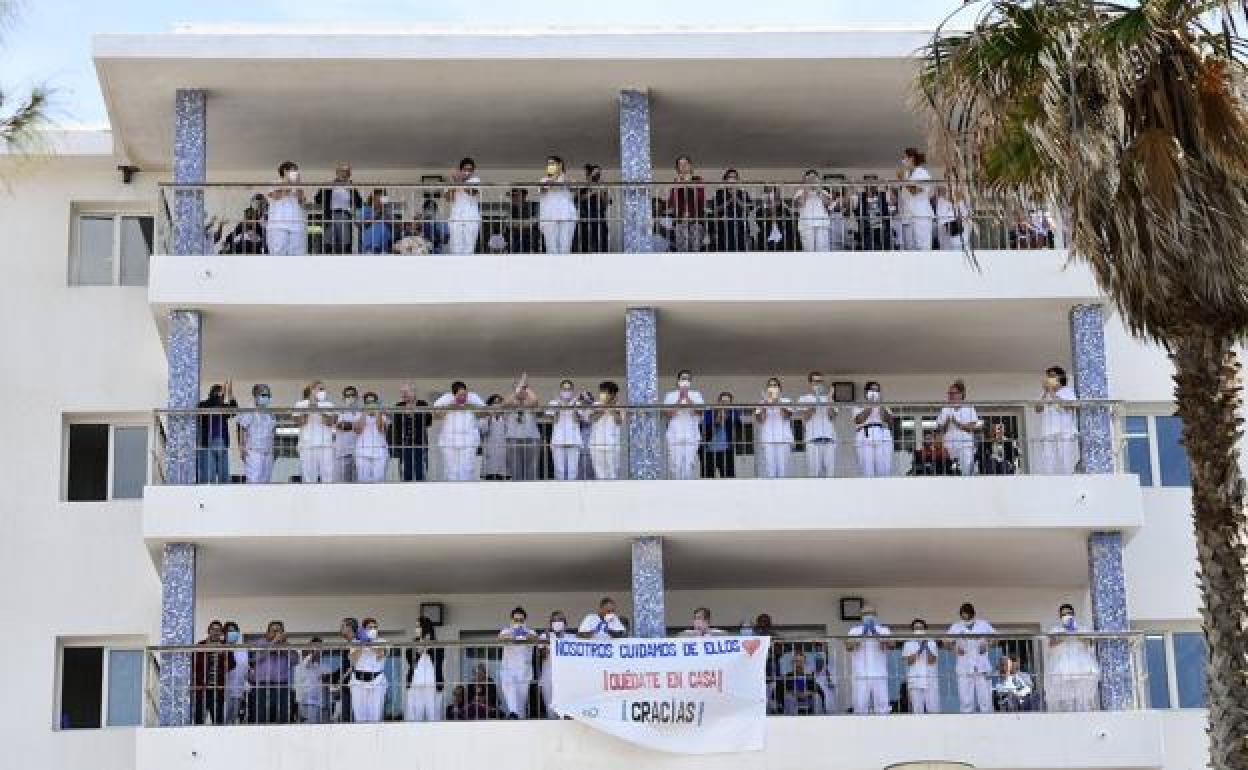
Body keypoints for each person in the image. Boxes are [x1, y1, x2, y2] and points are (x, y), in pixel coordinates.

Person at [1044, 603, 1101, 712]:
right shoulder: (1056, 629)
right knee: (1065, 695)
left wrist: (1075, 632)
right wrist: (1065, 633)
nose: (1066, 616)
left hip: (1081, 666)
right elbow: (1052, 644)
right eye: (1063, 614)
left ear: (1073, 614)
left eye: (1069, 613)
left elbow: (1089, 643)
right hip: (1062, 667)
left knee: (1082, 695)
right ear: (1060, 617)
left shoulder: (1082, 629)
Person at [948, 602, 996, 713]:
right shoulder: (956, 626)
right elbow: (945, 641)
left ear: (972, 614)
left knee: (985, 697)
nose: (965, 618)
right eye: (963, 616)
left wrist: (988, 644)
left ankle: (987, 721)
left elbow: (996, 637)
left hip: (982, 665)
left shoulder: (983, 624)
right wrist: (954, 649)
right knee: (965, 698)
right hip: (964, 666)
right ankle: (966, 722)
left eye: (967, 616)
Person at [433, 381, 485, 481]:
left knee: (467, 469)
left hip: (469, 440)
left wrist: (470, 406)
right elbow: (435, 415)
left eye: (464, 394)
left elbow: (484, 413)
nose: (463, 397)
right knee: (451, 470)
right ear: (453, 393)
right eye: (460, 395)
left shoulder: (473, 397)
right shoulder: (446, 398)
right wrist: (450, 406)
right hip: (449, 441)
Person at [846, 605, 893, 714]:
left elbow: (891, 644)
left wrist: (875, 633)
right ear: (861, 617)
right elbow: (848, 646)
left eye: (870, 613)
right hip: (860, 674)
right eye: (865, 614)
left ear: (875, 615)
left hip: (879, 673)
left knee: (882, 705)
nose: (868, 616)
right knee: (860, 704)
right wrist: (863, 634)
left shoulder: (883, 630)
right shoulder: (854, 630)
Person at [249, 620, 296, 724]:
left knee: (283, 717)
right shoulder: (259, 643)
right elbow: (254, 659)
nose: (276, 634)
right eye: (273, 631)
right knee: (260, 717)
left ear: (283, 633)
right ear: (267, 632)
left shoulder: (287, 645)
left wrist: (283, 647)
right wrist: (273, 644)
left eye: (278, 631)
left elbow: (295, 660)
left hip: (282, 685)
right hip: (262, 686)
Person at [1035, 365, 1079, 474]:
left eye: (1052, 376)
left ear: (1060, 377)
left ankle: (1068, 477)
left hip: (1064, 430)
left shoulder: (1067, 391)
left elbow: (1069, 406)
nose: (1049, 378)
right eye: (1048, 376)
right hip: (1048, 430)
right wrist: (1045, 392)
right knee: (1048, 457)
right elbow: (1038, 409)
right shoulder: (1045, 394)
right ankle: (1049, 479)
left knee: (1065, 456)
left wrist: (1051, 392)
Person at [314, 162, 363, 254]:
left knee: (345, 242)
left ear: (349, 174)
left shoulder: (352, 187)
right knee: (328, 242)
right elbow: (317, 199)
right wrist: (327, 187)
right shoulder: (329, 186)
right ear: (337, 173)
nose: (344, 173)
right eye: (342, 171)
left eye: (347, 171)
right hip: (330, 215)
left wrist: (351, 189)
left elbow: (359, 203)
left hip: (345, 215)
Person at [663, 370, 705, 479]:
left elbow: (700, 411)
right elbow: (668, 414)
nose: (685, 381)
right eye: (683, 378)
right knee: (675, 464)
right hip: (674, 434)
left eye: (687, 379)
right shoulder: (670, 395)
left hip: (692, 435)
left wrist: (687, 398)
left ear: (690, 381)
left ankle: (688, 489)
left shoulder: (696, 394)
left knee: (689, 464)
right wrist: (680, 399)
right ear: (678, 381)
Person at [497, 607, 538, 719]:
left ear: (525, 620)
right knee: (511, 695)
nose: (519, 622)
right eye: (516, 620)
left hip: (524, 672)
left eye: (521, 620)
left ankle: (517, 719)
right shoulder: (506, 631)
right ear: (511, 620)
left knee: (521, 702)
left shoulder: (530, 632)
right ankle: (513, 714)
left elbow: (535, 638)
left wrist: (523, 634)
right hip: (508, 669)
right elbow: (501, 638)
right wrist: (515, 634)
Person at [798, 371, 838, 478]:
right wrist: (816, 399)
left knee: (830, 474)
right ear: (810, 383)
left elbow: (832, 416)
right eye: (816, 381)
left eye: (820, 381)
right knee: (814, 473)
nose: (818, 384)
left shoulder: (829, 398)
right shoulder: (804, 398)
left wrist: (829, 399)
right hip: (813, 440)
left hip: (829, 439)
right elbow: (805, 418)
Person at [405, 617, 445, 722]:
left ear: (425, 628)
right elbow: (410, 660)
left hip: (433, 684)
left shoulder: (437, 646)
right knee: (415, 715)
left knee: (433, 715)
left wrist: (429, 646)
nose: (416, 629)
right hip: (415, 683)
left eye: (418, 626)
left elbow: (439, 660)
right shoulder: (412, 645)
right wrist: (422, 646)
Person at [295, 381, 336, 483]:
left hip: (325, 445)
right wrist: (309, 407)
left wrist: (318, 408)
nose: (323, 392)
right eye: (320, 389)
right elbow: (299, 422)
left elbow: (331, 422)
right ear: (312, 390)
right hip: (307, 445)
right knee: (308, 478)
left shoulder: (328, 404)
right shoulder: (300, 404)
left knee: (328, 477)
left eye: (323, 389)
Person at [937, 380, 981, 476]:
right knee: (949, 471)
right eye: (949, 393)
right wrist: (947, 423)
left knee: (966, 468)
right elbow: (940, 429)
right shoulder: (945, 409)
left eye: (953, 393)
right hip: (948, 446)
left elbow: (972, 427)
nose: (950, 395)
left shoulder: (969, 408)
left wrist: (958, 424)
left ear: (961, 394)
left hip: (964, 445)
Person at [754, 377, 795, 478]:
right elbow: (760, 420)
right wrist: (765, 404)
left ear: (780, 388)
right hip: (768, 440)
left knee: (783, 470)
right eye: (770, 385)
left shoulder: (786, 400)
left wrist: (777, 401)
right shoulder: (762, 402)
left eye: (775, 385)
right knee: (770, 470)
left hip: (784, 440)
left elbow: (787, 416)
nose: (772, 387)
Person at [197, 382, 237, 484]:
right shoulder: (203, 405)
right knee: (208, 475)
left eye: (221, 394)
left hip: (222, 442)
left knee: (224, 473)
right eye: (218, 393)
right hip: (207, 443)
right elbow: (212, 403)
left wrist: (230, 394)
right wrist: (220, 396)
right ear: (212, 394)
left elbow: (234, 411)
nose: (220, 396)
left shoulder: (223, 407)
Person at [349, 617, 387, 723]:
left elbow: (380, 654)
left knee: (376, 716)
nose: (373, 629)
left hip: (377, 681)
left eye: (375, 627)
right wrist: (362, 643)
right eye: (370, 627)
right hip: (358, 681)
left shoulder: (382, 641)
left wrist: (369, 642)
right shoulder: (356, 642)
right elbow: (353, 659)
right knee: (359, 716)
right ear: (364, 630)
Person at [236, 384, 276, 484]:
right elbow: (242, 427)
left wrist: (273, 450)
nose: (266, 397)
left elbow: (272, 431)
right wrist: (241, 447)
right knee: (254, 481)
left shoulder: (269, 413)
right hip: (254, 452)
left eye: (268, 395)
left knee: (266, 481)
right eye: (263, 395)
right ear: (256, 396)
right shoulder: (249, 410)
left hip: (267, 452)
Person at [505, 375, 543, 481]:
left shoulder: (530, 402)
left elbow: (535, 401)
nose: (521, 390)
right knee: (515, 470)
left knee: (532, 470)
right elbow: (505, 403)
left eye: (524, 388)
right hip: (513, 438)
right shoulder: (511, 401)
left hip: (532, 438)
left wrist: (526, 388)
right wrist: (516, 390)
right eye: (518, 387)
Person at [547, 379, 586, 480]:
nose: (566, 391)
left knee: (573, 471)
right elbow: (554, 420)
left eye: (569, 389)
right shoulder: (553, 403)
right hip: (558, 441)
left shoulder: (577, 403)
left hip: (574, 441)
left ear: (572, 390)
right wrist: (560, 405)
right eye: (564, 389)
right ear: (560, 390)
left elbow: (577, 420)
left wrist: (573, 406)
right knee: (559, 471)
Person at [266, 160, 307, 255]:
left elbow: (302, 200)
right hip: (278, 224)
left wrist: (298, 185)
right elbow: (276, 196)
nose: (295, 173)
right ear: (285, 171)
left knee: (297, 252)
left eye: (296, 171)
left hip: (296, 224)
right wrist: (288, 183)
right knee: (278, 252)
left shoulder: (297, 185)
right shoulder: (274, 183)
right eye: (293, 171)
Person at [391, 385, 432, 482]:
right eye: (402, 392)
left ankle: (421, 489)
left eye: (406, 392)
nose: (403, 394)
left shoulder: (422, 404)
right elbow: (396, 425)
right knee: (406, 469)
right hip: (404, 443)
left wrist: (414, 412)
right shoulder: (399, 406)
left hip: (420, 442)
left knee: (420, 468)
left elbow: (428, 421)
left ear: (413, 393)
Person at [538, 155, 578, 254]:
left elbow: (574, 188)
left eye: (553, 163)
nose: (550, 165)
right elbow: (543, 189)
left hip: (566, 216)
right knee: (551, 247)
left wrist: (561, 176)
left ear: (560, 165)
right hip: (549, 217)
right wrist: (555, 177)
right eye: (548, 164)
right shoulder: (543, 180)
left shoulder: (568, 180)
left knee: (565, 246)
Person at [853, 381, 894, 477]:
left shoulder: (883, 406)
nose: (875, 392)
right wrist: (870, 404)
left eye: (877, 390)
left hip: (882, 433)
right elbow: (859, 420)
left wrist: (880, 404)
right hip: (865, 435)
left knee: (884, 469)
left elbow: (889, 420)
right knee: (867, 469)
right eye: (872, 390)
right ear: (866, 392)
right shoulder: (859, 405)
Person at [897, 148, 934, 250]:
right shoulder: (907, 174)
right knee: (909, 248)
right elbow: (905, 196)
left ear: (911, 158)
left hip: (921, 216)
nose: (903, 161)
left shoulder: (922, 173)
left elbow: (915, 191)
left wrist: (903, 180)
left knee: (923, 247)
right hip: (908, 216)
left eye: (904, 158)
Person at [901, 618, 941, 713]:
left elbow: (932, 661)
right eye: (916, 628)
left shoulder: (931, 643)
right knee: (917, 710)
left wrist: (926, 648)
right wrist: (919, 650)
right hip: (915, 681)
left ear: (925, 629)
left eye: (921, 627)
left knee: (933, 709)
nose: (918, 630)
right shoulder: (908, 643)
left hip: (930, 680)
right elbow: (909, 661)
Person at [192, 620, 228, 724]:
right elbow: (195, 663)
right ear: (209, 631)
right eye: (213, 629)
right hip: (202, 689)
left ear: (221, 633)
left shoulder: (224, 646)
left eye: (218, 630)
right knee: (199, 719)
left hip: (218, 689)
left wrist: (224, 654)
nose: (216, 632)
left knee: (218, 720)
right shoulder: (201, 645)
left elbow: (231, 665)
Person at [668, 155, 706, 252]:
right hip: (680, 221)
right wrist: (678, 185)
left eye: (685, 163)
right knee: (682, 251)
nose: (683, 166)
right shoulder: (676, 182)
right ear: (677, 169)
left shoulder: (698, 180)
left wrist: (688, 183)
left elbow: (700, 199)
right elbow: (672, 202)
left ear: (690, 166)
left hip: (696, 221)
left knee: (695, 249)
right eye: (680, 164)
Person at [701, 392, 744, 478]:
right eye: (722, 401)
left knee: (728, 479)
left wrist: (726, 416)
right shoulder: (709, 412)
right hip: (709, 451)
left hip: (726, 451)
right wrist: (718, 417)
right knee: (707, 480)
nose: (725, 404)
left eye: (727, 402)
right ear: (718, 402)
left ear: (730, 403)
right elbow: (706, 427)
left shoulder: (733, 412)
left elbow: (738, 424)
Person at [324, 617, 358, 723]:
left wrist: (338, 677)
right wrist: (332, 677)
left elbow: (353, 666)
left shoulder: (357, 643)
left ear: (349, 627)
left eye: (342, 626)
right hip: (347, 685)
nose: (340, 629)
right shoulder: (349, 644)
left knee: (352, 717)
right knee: (346, 716)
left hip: (354, 685)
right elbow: (345, 666)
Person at [793, 169, 835, 252]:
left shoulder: (823, 192)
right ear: (805, 180)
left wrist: (818, 189)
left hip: (822, 224)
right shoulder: (800, 192)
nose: (812, 180)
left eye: (814, 178)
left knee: (823, 249)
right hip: (806, 225)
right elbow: (801, 202)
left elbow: (829, 204)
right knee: (808, 250)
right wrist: (806, 188)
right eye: (809, 178)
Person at [538, 611, 570, 717]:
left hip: (566, 679)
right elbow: (543, 656)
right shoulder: (544, 636)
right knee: (551, 710)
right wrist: (548, 640)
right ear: (551, 623)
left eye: (560, 620)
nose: (557, 622)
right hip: (548, 678)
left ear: (565, 623)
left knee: (565, 711)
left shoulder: (571, 637)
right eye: (554, 620)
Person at [447, 157, 482, 255]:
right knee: (455, 247)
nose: (468, 172)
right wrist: (453, 184)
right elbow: (448, 198)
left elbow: (472, 192)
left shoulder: (476, 180)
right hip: (456, 217)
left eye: (470, 170)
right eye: (465, 170)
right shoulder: (454, 181)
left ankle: (468, 268)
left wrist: (459, 181)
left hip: (471, 218)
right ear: (461, 170)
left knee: (469, 247)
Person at [589, 381, 623, 480]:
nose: (602, 394)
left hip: (612, 445)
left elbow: (619, 421)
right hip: (596, 444)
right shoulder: (596, 404)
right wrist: (604, 406)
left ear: (612, 394)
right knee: (599, 474)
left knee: (612, 473)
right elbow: (593, 419)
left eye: (605, 392)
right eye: (601, 391)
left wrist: (612, 406)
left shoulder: (619, 406)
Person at [711, 169, 752, 251]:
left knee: (740, 250)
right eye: (730, 177)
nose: (732, 180)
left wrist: (735, 197)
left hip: (740, 227)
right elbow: (715, 210)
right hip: (723, 227)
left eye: (735, 177)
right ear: (725, 180)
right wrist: (729, 200)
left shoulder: (743, 193)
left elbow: (748, 210)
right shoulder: (719, 193)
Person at [574, 164, 611, 253]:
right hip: (584, 222)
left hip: (600, 221)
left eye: (598, 174)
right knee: (583, 247)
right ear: (589, 175)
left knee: (601, 247)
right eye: (594, 174)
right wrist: (591, 192)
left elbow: (606, 203)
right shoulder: (582, 189)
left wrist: (602, 191)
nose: (597, 177)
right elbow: (576, 201)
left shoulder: (602, 188)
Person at [353, 392, 389, 482]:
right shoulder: (358, 415)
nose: (371, 404)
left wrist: (377, 412)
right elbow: (358, 430)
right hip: (362, 453)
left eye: (373, 402)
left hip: (379, 453)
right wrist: (365, 413)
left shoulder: (382, 416)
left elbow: (380, 428)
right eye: (368, 402)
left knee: (379, 480)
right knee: (363, 480)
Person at [852, 181, 894, 251]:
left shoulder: (883, 196)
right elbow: (855, 210)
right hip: (866, 230)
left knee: (884, 250)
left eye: (873, 186)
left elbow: (892, 207)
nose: (870, 188)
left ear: (876, 187)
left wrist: (888, 189)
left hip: (882, 229)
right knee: (869, 250)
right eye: (868, 186)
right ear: (865, 188)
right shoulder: (860, 197)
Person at [755, 184, 798, 251]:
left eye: (773, 192)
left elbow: (790, 228)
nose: (771, 195)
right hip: (766, 243)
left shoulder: (784, 210)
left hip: (783, 243)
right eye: (768, 192)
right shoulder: (760, 211)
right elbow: (758, 229)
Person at [222, 621, 249, 724]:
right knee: (223, 719)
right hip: (223, 690)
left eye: (234, 631)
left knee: (234, 719)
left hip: (238, 688)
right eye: (229, 631)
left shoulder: (242, 649)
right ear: (224, 633)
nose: (232, 633)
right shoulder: (221, 647)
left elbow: (245, 667)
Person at [294, 639, 326, 723]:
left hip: (317, 701)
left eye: (320, 647)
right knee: (307, 726)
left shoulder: (319, 664)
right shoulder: (303, 660)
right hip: (305, 700)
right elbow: (307, 663)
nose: (319, 650)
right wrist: (313, 652)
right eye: (316, 647)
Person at [334, 385, 362, 483]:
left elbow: (361, 428)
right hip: (343, 452)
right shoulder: (339, 412)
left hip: (358, 453)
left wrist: (349, 425)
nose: (350, 398)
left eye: (353, 395)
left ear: (357, 397)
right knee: (343, 483)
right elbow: (340, 426)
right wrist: (355, 426)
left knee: (358, 483)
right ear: (343, 398)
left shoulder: (361, 413)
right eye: (347, 396)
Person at [479, 394, 509, 480]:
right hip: (490, 453)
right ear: (490, 405)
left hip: (503, 453)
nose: (497, 405)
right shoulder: (485, 417)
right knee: (490, 477)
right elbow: (483, 430)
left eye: (499, 403)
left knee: (503, 477)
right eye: (495, 403)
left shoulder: (506, 417)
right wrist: (489, 416)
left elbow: (509, 432)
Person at [934, 185, 969, 251]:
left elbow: (966, 215)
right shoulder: (942, 202)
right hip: (949, 235)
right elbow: (941, 219)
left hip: (962, 235)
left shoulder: (961, 203)